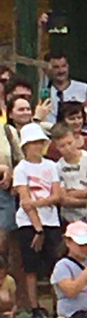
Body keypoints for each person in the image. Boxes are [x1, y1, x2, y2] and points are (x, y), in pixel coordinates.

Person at [13, 121, 63, 318]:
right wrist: (38, 228)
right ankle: (35, 309)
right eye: (33, 143)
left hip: (51, 221)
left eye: (40, 142)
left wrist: (38, 203)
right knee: (31, 269)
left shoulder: (51, 165)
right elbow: (25, 202)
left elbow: (57, 195)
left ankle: (57, 307)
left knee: (54, 266)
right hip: (29, 224)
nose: (37, 146)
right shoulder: (21, 168)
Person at [51, 123, 87, 228]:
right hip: (70, 221)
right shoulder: (57, 167)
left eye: (70, 143)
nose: (68, 148)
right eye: (62, 146)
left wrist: (72, 193)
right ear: (56, 147)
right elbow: (63, 198)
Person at [0, 113, 22, 263]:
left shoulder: (8, 131)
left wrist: (12, 174)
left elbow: (21, 161)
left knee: (5, 241)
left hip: (5, 192)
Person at [44, 53, 87, 125]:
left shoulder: (83, 88)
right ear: (46, 70)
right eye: (56, 67)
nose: (61, 70)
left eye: (63, 66)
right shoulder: (44, 91)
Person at [0, 250, 15, 318]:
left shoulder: (9, 281)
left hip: (4, 312)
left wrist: (12, 313)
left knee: (5, 297)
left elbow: (14, 303)